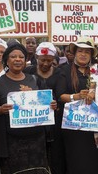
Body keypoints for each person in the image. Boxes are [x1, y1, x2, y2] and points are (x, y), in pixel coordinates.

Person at [0, 43, 55, 174]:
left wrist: (52, 105)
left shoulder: (36, 80)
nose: (18, 59)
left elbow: (49, 101)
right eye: (13, 56)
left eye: (21, 57)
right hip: (12, 142)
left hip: (37, 140)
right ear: (6, 61)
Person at [59, 37, 98, 174]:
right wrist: (76, 96)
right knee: (75, 159)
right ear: (75, 53)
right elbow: (60, 96)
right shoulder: (64, 71)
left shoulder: (97, 72)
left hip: (92, 125)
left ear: (91, 55)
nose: (83, 54)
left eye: (87, 52)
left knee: (94, 159)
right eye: (80, 51)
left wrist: (95, 94)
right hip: (73, 125)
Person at [24, 42, 66, 174]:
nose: (46, 64)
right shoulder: (27, 71)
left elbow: (61, 96)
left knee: (56, 155)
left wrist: (57, 105)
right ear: (36, 57)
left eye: (49, 60)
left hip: (55, 122)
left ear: (54, 59)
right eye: (42, 60)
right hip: (34, 122)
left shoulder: (60, 74)